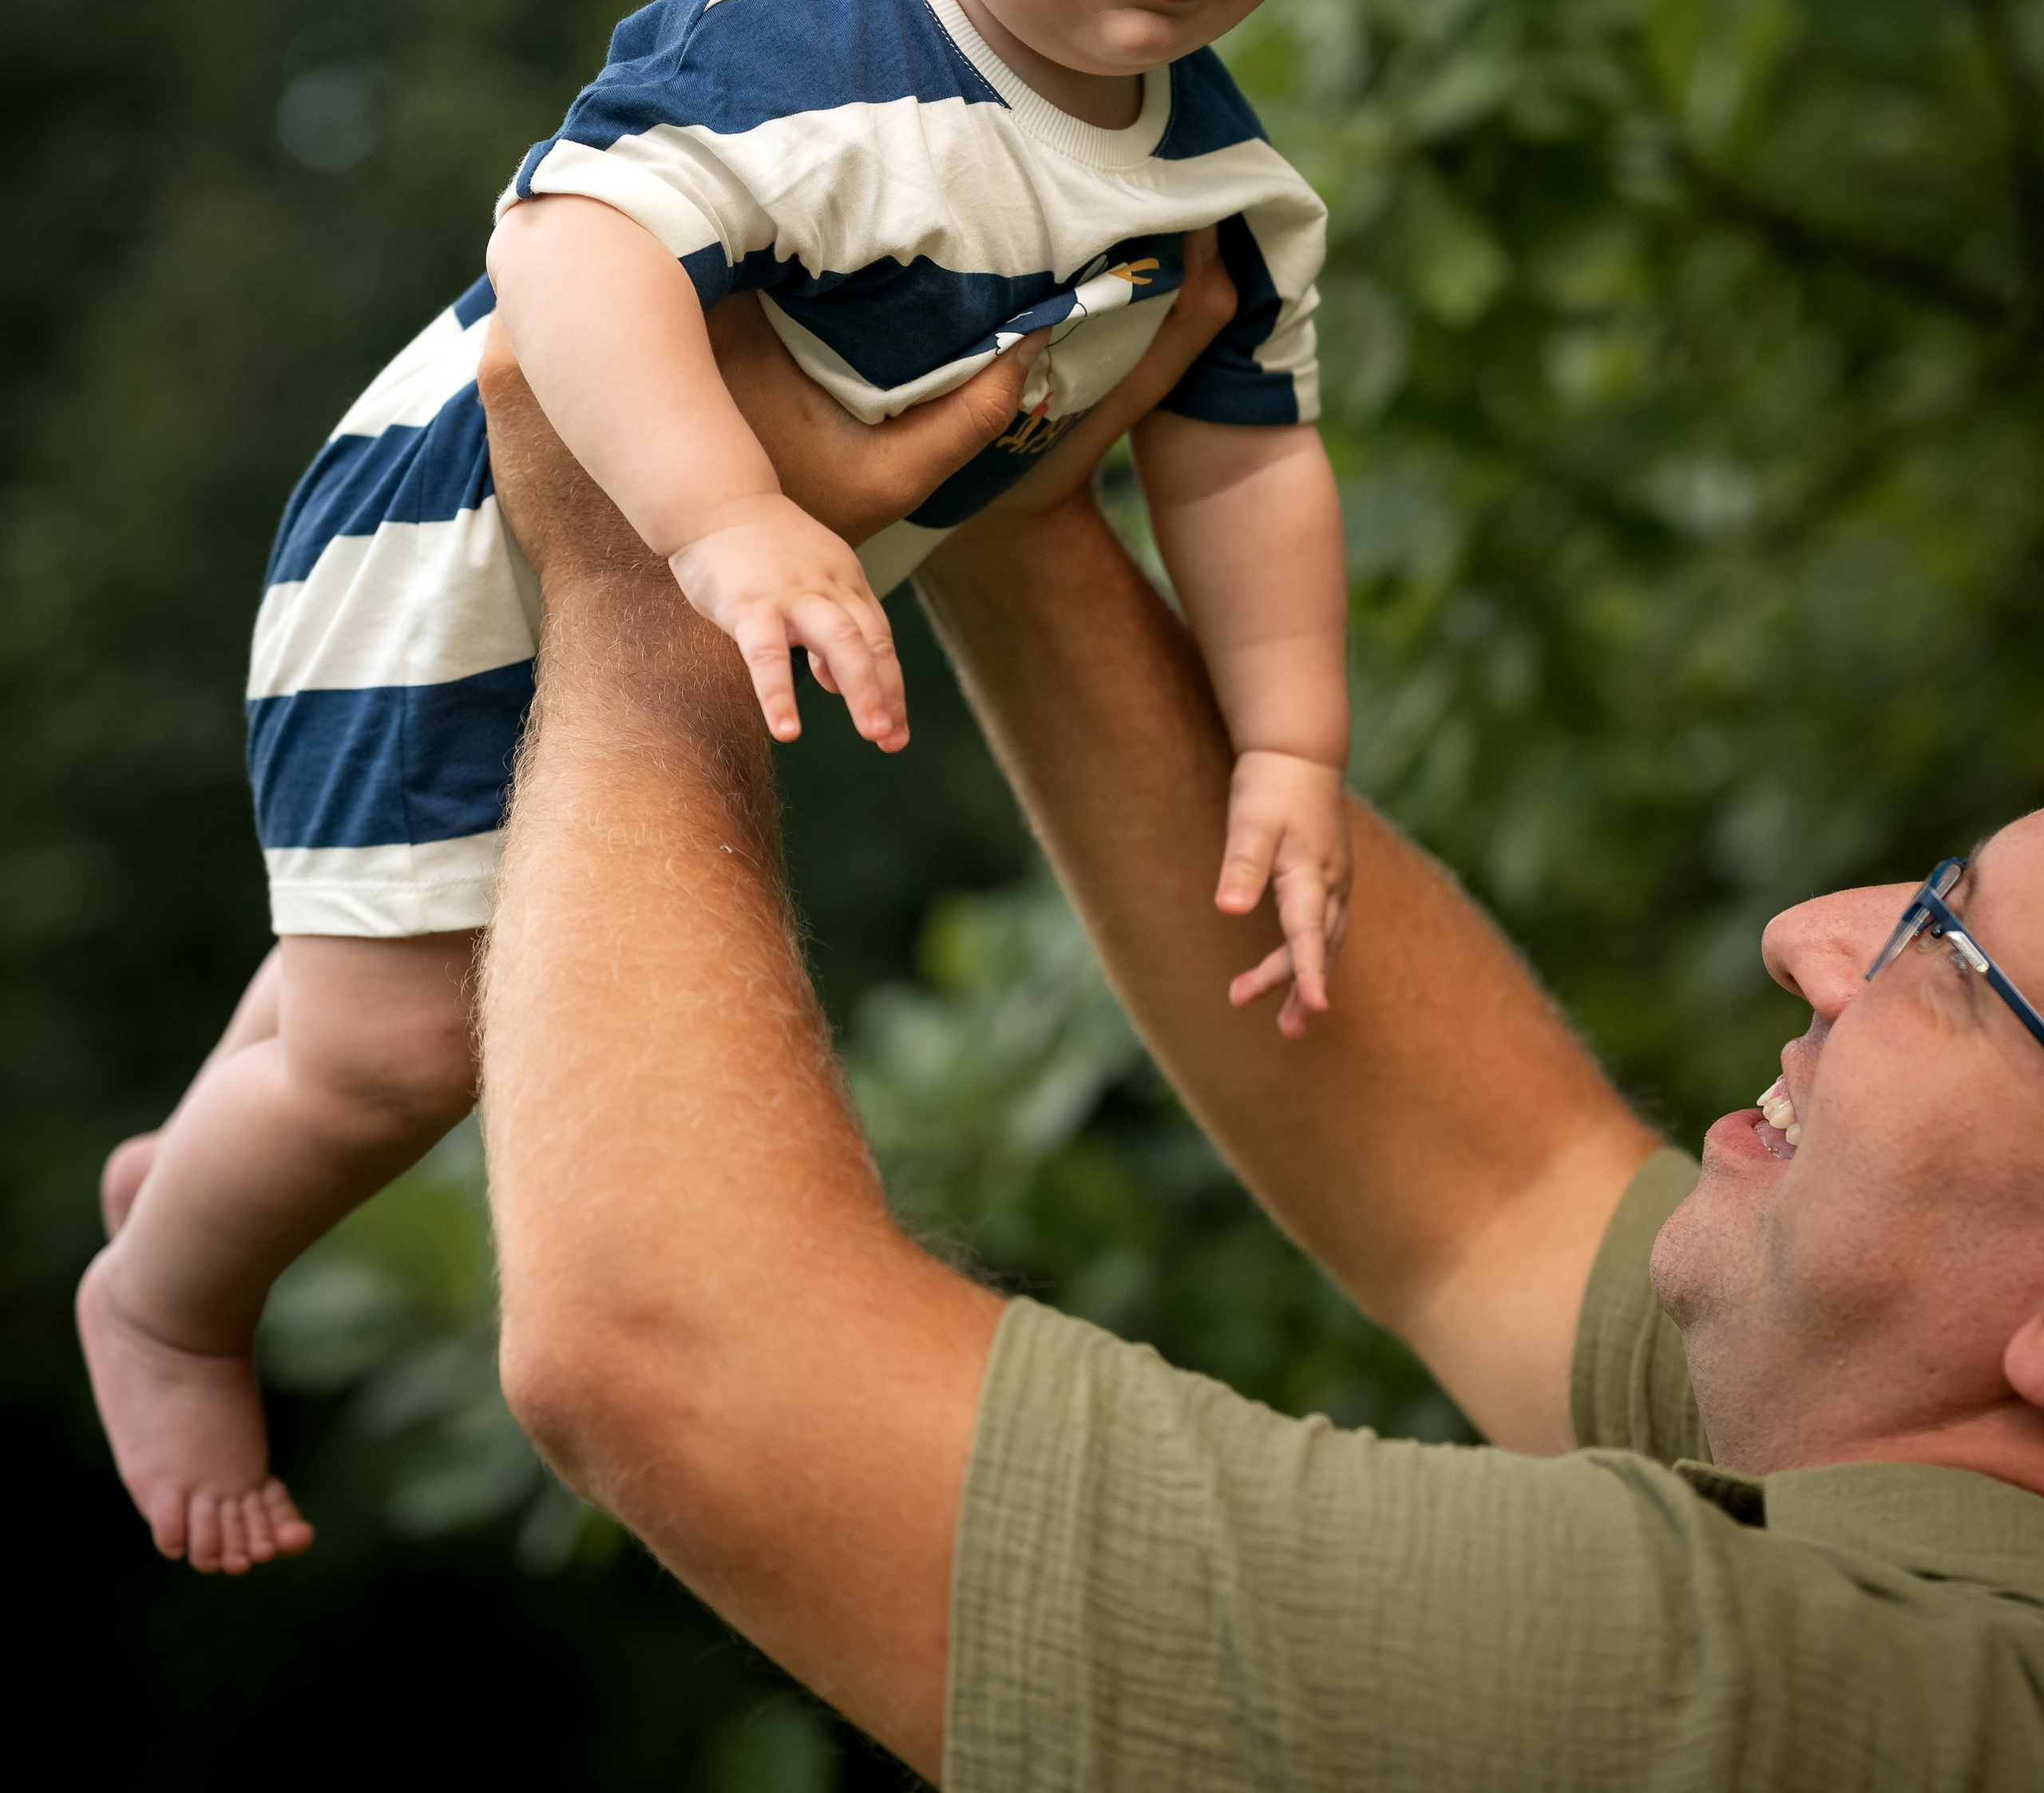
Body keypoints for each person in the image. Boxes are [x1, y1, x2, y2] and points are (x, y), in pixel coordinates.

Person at [77, 0, 1365, 1573]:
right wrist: (724, 522)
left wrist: (1296, 741)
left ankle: (207, 1153)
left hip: (648, 552)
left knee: (362, 985)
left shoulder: (1211, 163)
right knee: (408, 1050)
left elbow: (1244, 444)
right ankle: (166, 1293)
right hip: (470, 540)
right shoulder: (833, 33)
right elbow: (568, 239)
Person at [479, 252, 2044, 1792]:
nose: (1805, 938)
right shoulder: (1920, 1480)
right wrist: (1001, 487)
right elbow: (1488, 1197)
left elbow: (673, 1344)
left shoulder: (1838, 1710)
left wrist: (648, 568)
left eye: (1941, 956)